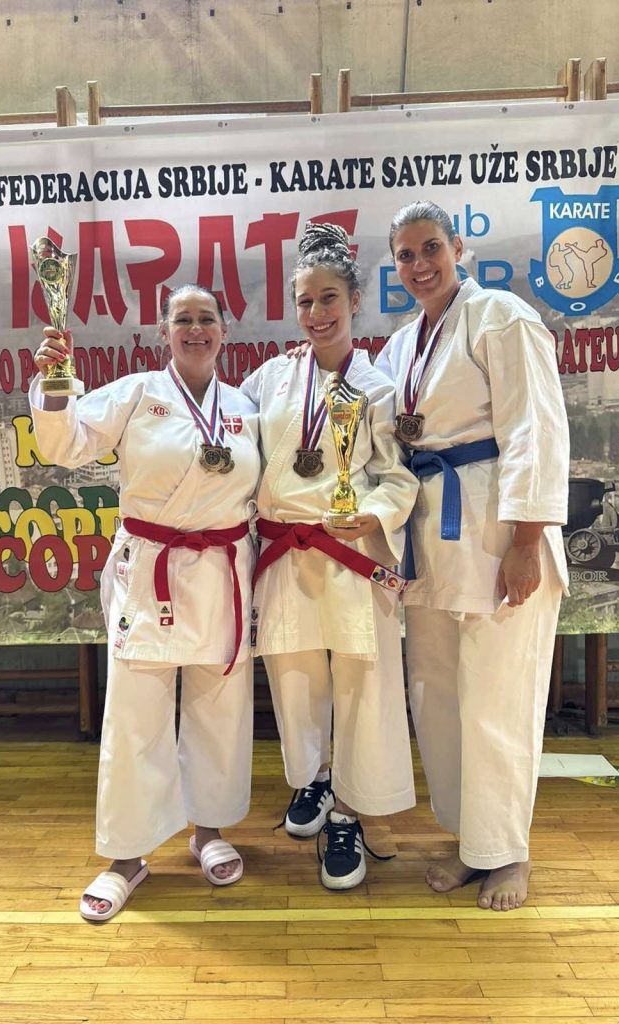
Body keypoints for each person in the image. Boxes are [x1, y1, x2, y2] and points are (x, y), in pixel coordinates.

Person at [30, 285, 260, 921]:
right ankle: (126, 856)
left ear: (224, 331)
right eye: (183, 319)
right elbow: (64, 445)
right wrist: (56, 381)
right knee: (135, 714)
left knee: (221, 707)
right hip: (151, 567)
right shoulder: (136, 393)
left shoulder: (245, 406)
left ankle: (209, 829)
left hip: (223, 569)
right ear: (164, 332)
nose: (195, 329)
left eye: (206, 318)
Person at [377, 200, 569, 912]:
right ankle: (472, 842)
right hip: (430, 535)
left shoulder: (501, 317)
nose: (419, 264)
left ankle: (509, 853)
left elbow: (535, 432)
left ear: (458, 248)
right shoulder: (401, 345)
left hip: (496, 530)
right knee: (438, 696)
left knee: (499, 698)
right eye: (405, 255)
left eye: (430, 248)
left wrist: (527, 542)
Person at [240, 222, 419, 891]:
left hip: (352, 553)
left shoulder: (379, 387)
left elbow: (398, 476)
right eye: (305, 301)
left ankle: (349, 811)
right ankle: (315, 777)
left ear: (355, 302)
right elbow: (233, 443)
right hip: (286, 552)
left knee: (362, 687)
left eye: (328, 299)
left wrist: (372, 513)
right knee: (294, 680)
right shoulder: (269, 379)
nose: (316, 313)